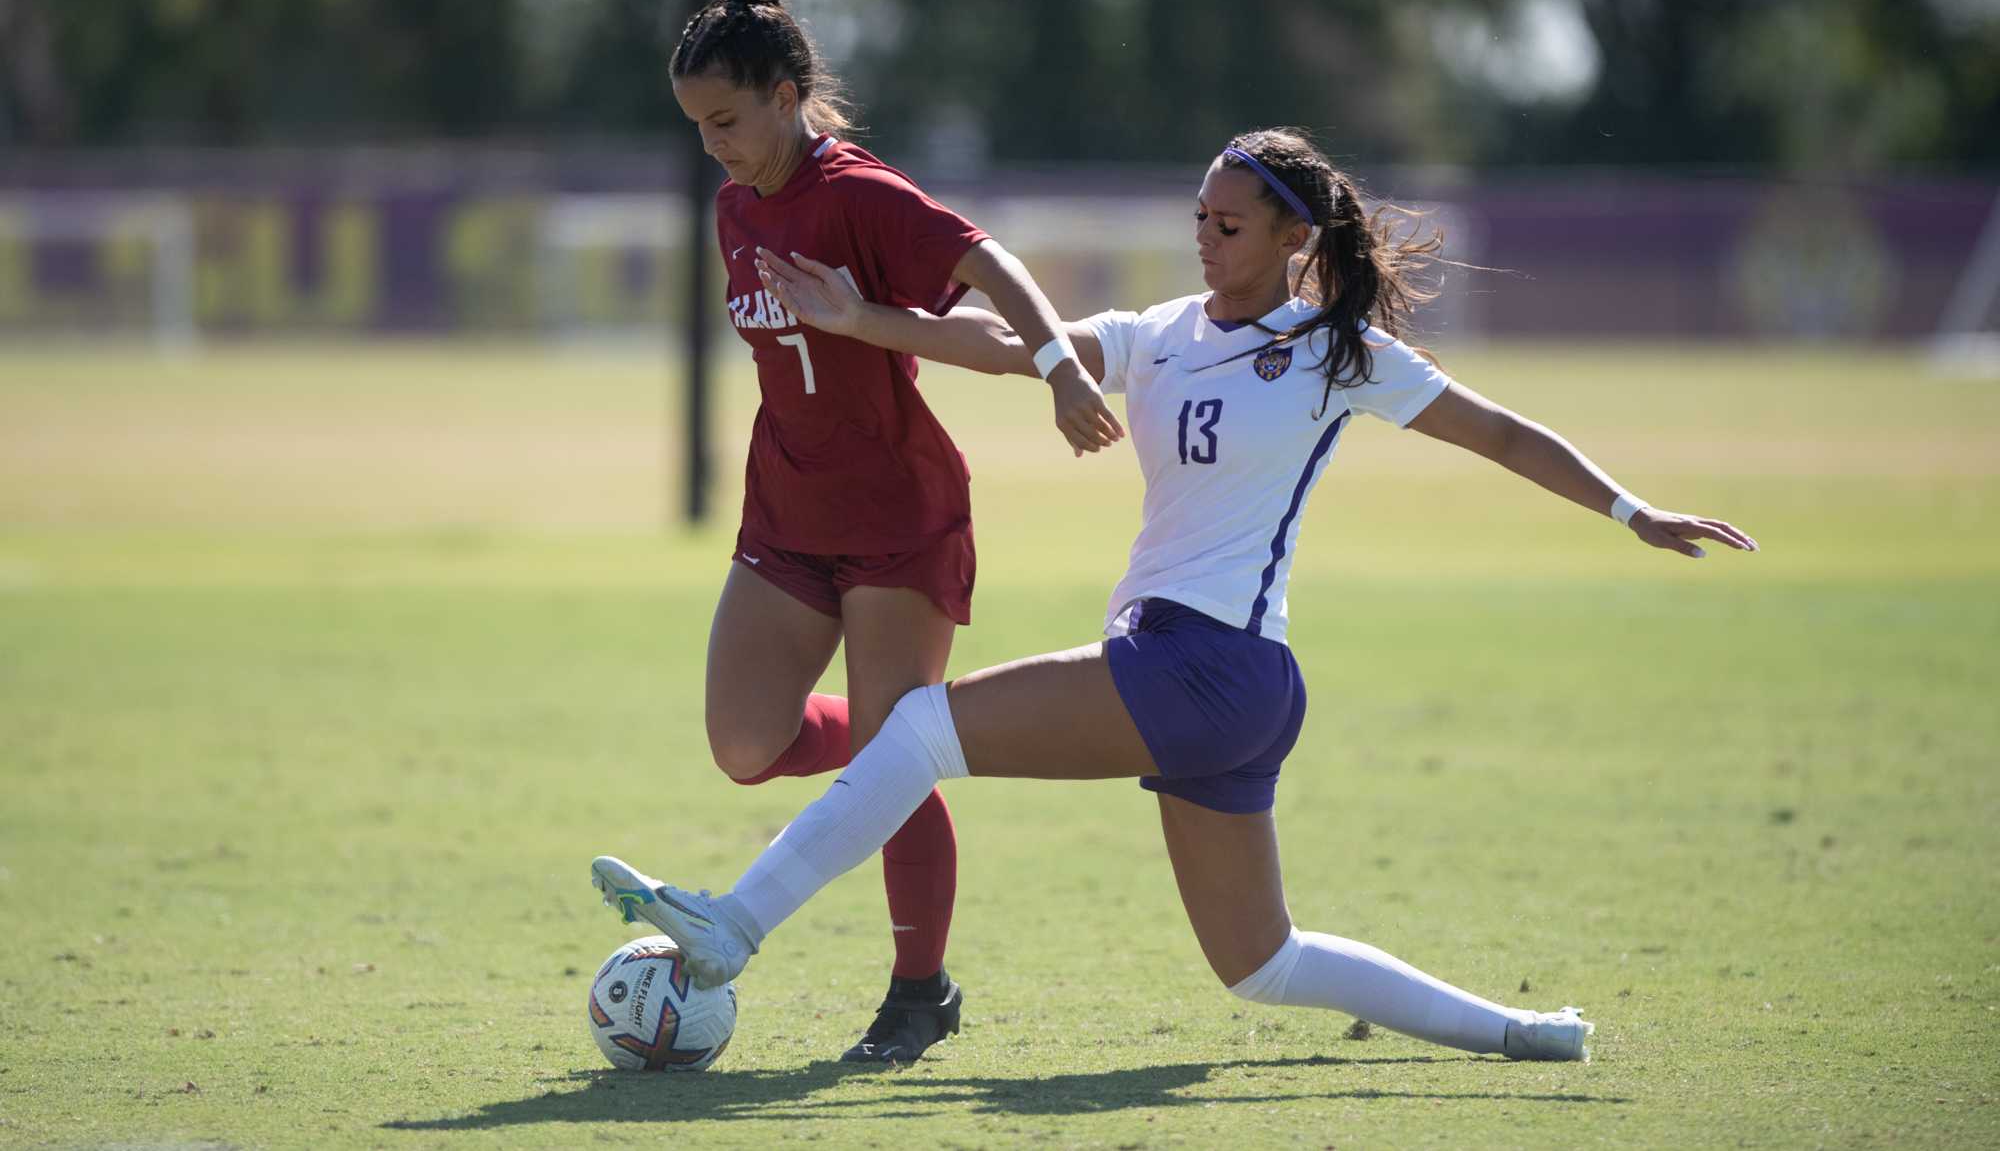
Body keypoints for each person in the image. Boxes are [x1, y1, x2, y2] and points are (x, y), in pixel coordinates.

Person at [594, 127, 1757, 1062]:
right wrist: (863, 322)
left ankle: (732, 924)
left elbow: (1498, 432)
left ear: (1292, 236)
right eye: (1197, 217)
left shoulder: (1339, 351)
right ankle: (1519, 1031)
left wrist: (1627, 510)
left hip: (1204, 663)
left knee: (918, 731)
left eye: (1229, 223)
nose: (1203, 238)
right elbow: (1004, 343)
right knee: (1260, 963)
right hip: (1224, 684)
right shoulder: (1157, 334)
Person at [663, 0, 1124, 1063]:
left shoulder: (858, 192)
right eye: (694, 127)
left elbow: (991, 263)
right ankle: (902, 743)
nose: (712, 147)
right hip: (784, 511)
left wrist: (1057, 368)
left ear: (786, 94)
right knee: (742, 742)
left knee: (887, 756)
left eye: (726, 120)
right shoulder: (734, 208)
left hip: (897, 518)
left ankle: (919, 991)